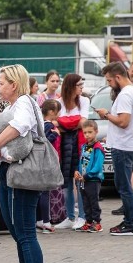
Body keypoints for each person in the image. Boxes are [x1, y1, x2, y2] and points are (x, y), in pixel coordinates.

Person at [0, 64, 46, 263]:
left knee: (25, 233)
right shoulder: (15, 104)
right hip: (11, 172)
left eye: (1, 82)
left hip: (21, 174)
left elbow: (19, 126)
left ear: (14, 84)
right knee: (18, 232)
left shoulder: (23, 102)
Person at [97, 62, 133, 236]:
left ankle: (131, 223)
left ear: (118, 77)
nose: (109, 84)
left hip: (124, 146)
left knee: (123, 186)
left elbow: (123, 122)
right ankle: (130, 221)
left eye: (110, 80)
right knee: (124, 185)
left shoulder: (125, 95)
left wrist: (106, 115)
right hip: (131, 145)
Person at [52, 73, 89, 231]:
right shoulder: (59, 103)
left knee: (79, 179)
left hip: (79, 144)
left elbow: (84, 122)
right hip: (64, 146)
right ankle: (69, 216)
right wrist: (73, 123)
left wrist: (64, 124)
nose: (82, 87)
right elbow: (54, 123)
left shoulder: (85, 101)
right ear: (71, 86)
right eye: (79, 85)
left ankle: (82, 215)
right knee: (66, 180)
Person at [36, 99, 61, 234]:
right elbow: (45, 142)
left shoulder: (41, 124)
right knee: (45, 192)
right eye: (57, 112)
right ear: (51, 112)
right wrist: (54, 134)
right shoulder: (48, 125)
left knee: (41, 192)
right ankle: (46, 221)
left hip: (42, 162)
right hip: (46, 163)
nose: (58, 115)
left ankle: (40, 220)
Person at [76, 119, 104, 233]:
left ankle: (97, 223)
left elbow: (97, 166)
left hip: (92, 180)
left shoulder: (98, 148)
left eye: (90, 132)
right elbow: (81, 161)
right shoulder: (84, 146)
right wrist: (77, 172)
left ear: (96, 131)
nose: (87, 135)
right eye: (85, 132)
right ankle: (88, 222)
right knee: (85, 202)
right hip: (83, 179)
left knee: (93, 202)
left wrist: (87, 176)